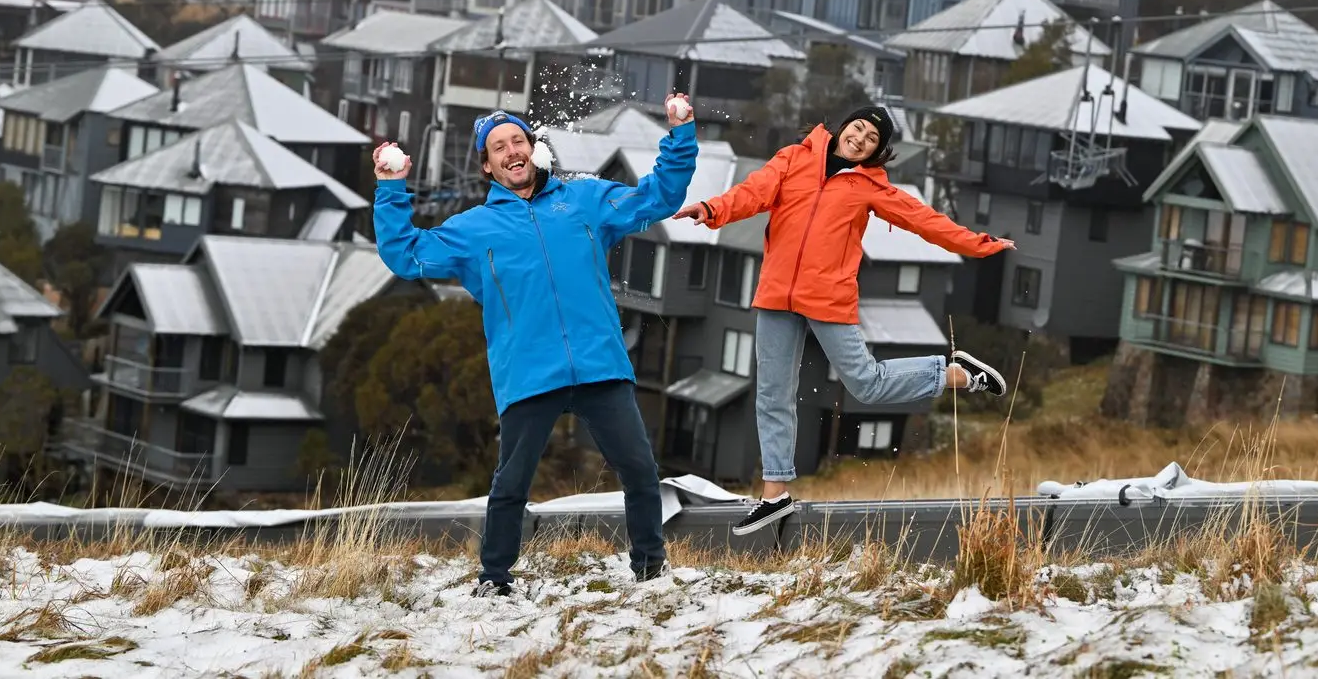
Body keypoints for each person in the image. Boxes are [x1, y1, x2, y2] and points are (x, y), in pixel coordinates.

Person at [372, 97, 699, 595]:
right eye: (498, 147)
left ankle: (651, 571)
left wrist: (679, 134)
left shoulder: (585, 201)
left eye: (518, 141)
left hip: (599, 365)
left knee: (638, 469)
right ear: (487, 165)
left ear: (533, 148)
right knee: (512, 485)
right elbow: (405, 254)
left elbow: (660, 198)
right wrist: (391, 188)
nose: (511, 151)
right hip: (528, 372)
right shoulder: (472, 230)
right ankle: (494, 579)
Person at [673, 106, 1016, 536]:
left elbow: (925, 222)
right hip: (777, 295)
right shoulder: (794, 158)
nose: (860, 139)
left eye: (872, 138)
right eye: (858, 128)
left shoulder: (870, 187)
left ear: (876, 152)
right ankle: (775, 494)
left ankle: (956, 373)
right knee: (773, 395)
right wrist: (712, 208)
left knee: (866, 383)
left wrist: (979, 245)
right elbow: (753, 192)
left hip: (828, 300)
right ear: (842, 128)